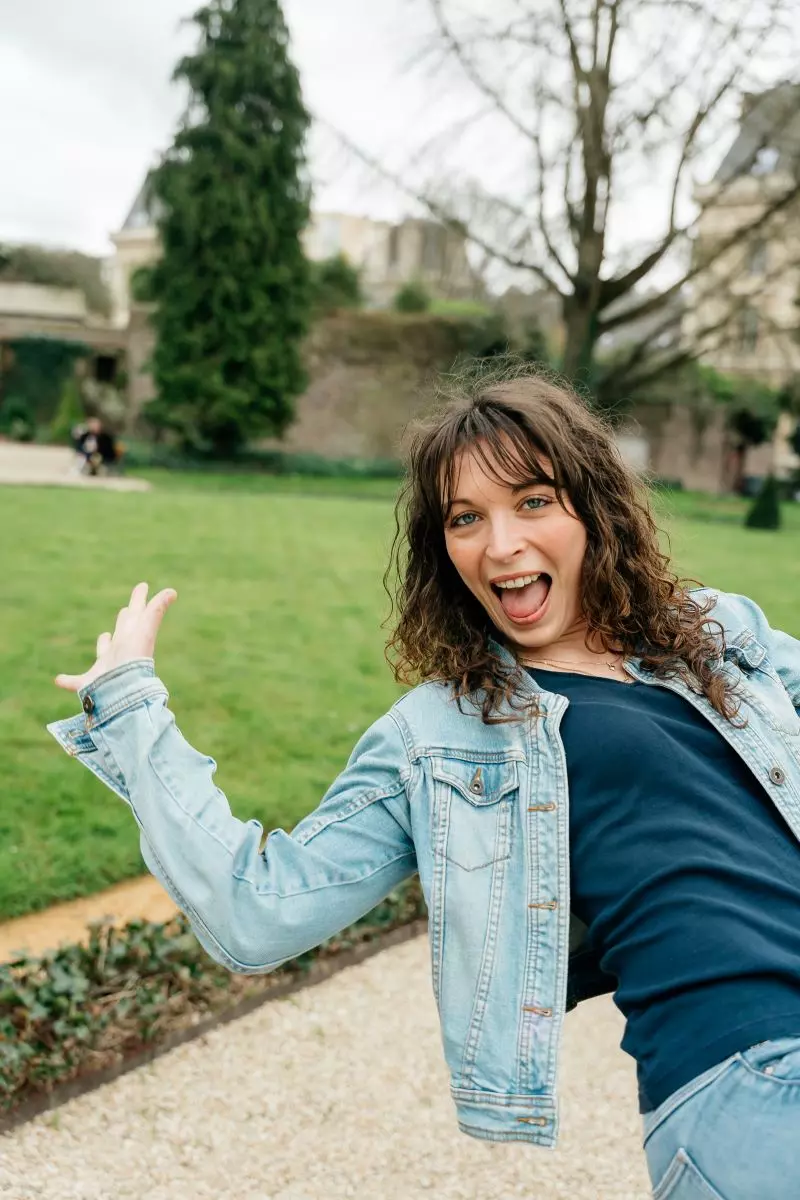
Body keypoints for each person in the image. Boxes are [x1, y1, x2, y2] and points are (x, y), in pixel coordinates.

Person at [48, 366, 800, 1198]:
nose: (501, 544)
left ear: (595, 509)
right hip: (750, 1076)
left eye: (534, 501)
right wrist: (132, 712)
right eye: (466, 518)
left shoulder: (717, 633)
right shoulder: (442, 735)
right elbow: (256, 908)